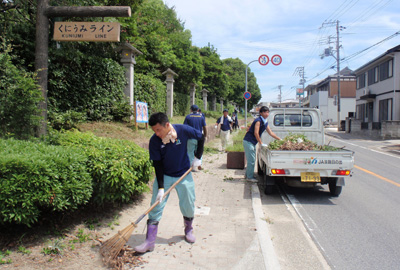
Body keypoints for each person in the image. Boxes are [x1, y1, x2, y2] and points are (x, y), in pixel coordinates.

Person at [134, 112, 204, 253]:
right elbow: (157, 165)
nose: (157, 133)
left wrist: (198, 157)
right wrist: (160, 188)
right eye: (154, 131)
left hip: (183, 174)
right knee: (155, 206)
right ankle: (149, 241)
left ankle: (188, 230)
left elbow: (201, 137)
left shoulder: (182, 130)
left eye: (158, 130)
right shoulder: (154, 141)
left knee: (189, 203)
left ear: (167, 125)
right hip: (165, 176)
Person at [243, 106, 281, 183]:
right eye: (264, 112)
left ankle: (247, 175)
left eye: (267, 112)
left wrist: (280, 139)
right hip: (248, 141)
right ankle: (249, 177)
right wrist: (261, 143)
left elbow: (271, 133)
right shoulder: (258, 121)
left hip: (252, 142)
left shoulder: (265, 122)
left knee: (252, 159)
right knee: (252, 160)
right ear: (261, 113)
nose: (267, 114)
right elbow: (256, 133)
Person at [183, 104, 207, 171]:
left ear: (191, 110)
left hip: (191, 137)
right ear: (198, 110)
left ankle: (191, 167)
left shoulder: (188, 117)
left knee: (190, 152)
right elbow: (204, 127)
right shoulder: (201, 117)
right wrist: (205, 136)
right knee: (199, 151)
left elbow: (184, 127)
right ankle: (199, 164)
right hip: (199, 137)